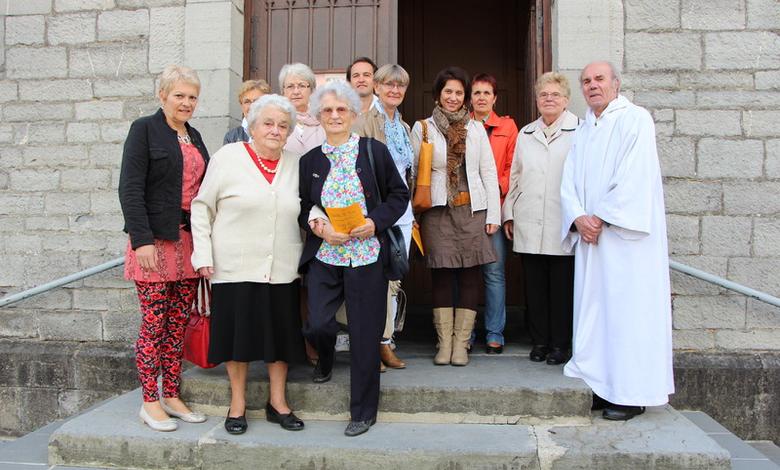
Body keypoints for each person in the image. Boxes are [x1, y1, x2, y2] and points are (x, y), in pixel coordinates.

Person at [560, 61, 674, 421]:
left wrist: (602, 217)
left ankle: (630, 393)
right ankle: (600, 384)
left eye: (599, 79)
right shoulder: (585, 128)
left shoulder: (635, 119)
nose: (592, 86)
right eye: (586, 81)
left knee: (627, 314)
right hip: (593, 240)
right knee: (596, 313)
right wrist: (578, 216)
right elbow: (569, 179)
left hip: (624, 241)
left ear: (616, 83)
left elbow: (635, 176)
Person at [190, 94, 305, 435]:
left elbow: (311, 205)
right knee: (236, 338)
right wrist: (203, 255)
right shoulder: (229, 157)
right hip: (233, 263)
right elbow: (201, 206)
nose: (275, 130)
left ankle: (278, 402)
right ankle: (237, 403)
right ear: (252, 126)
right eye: (268, 123)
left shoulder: (296, 163)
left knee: (281, 337)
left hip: (282, 265)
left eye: (283, 125)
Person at [299, 80, 408, 436]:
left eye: (340, 109)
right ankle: (326, 356)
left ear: (353, 113)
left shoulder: (373, 151)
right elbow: (302, 206)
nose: (334, 115)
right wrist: (318, 226)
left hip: (366, 255)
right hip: (327, 254)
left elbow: (398, 194)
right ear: (318, 115)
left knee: (364, 335)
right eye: (327, 110)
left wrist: (374, 222)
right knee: (317, 323)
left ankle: (363, 412)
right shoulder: (309, 161)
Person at [118, 65, 209, 432]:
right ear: (163, 96)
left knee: (177, 325)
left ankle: (171, 393)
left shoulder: (195, 135)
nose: (186, 103)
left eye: (192, 97)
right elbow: (130, 187)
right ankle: (149, 401)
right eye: (179, 96)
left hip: (188, 243)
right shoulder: (144, 129)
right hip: (153, 242)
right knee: (154, 325)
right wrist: (140, 240)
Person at [410, 67, 500, 367]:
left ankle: (461, 344)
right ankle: (444, 343)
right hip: (437, 211)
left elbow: (487, 171)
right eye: (447, 91)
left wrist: (494, 215)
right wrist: (410, 215)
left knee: (471, 275)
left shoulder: (475, 128)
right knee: (442, 276)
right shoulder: (423, 128)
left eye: (459, 93)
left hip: (472, 210)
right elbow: (413, 175)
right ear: (438, 95)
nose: (453, 97)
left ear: (466, 98)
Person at [502, 72, 578, 365]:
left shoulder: (578, 131)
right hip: (529, 218)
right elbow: (516, 176)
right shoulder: (526, 133)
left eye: (555, 95)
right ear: (537, 100)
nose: (549, 99)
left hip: (562, 222)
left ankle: (560, 344)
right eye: (544, 95)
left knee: (561, 288)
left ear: (566, 100)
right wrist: (509, 213)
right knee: (534, 288)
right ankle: (540, 342)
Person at [353, 64, 414, 371]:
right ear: (376, 87)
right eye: (388, 84)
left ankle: (385, 342)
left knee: (394, 279)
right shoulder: (364, 121)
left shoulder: (403, 126)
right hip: (377, 212)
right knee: (374, 280)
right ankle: (371, 343)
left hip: (403, 211)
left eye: (400, 86)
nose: (394, 90)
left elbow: (407, 172)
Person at [469, 73, 518, 354]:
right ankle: (466, 332)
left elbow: (513, 167)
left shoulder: (508, 127)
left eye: (487, 93)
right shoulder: (462, 125)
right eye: (477, 93)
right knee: (466, 273)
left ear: (495, 97)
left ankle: (494, 332)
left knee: (494, 272)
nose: (482, 98)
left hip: (495, 207)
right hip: (467, 210)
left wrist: (492, 187)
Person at [280, 63, 327, 156]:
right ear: (283, 91)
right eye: (290, 86)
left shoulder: (323, 120)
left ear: (312, 90)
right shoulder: (277, 120)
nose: (296, 92)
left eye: (302, 86)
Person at [223, 79, 272, 144]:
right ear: (241, 105)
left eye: (256, 101)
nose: (251, 106)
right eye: (247, 102)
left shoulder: (275, 132)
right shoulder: (231, 137)